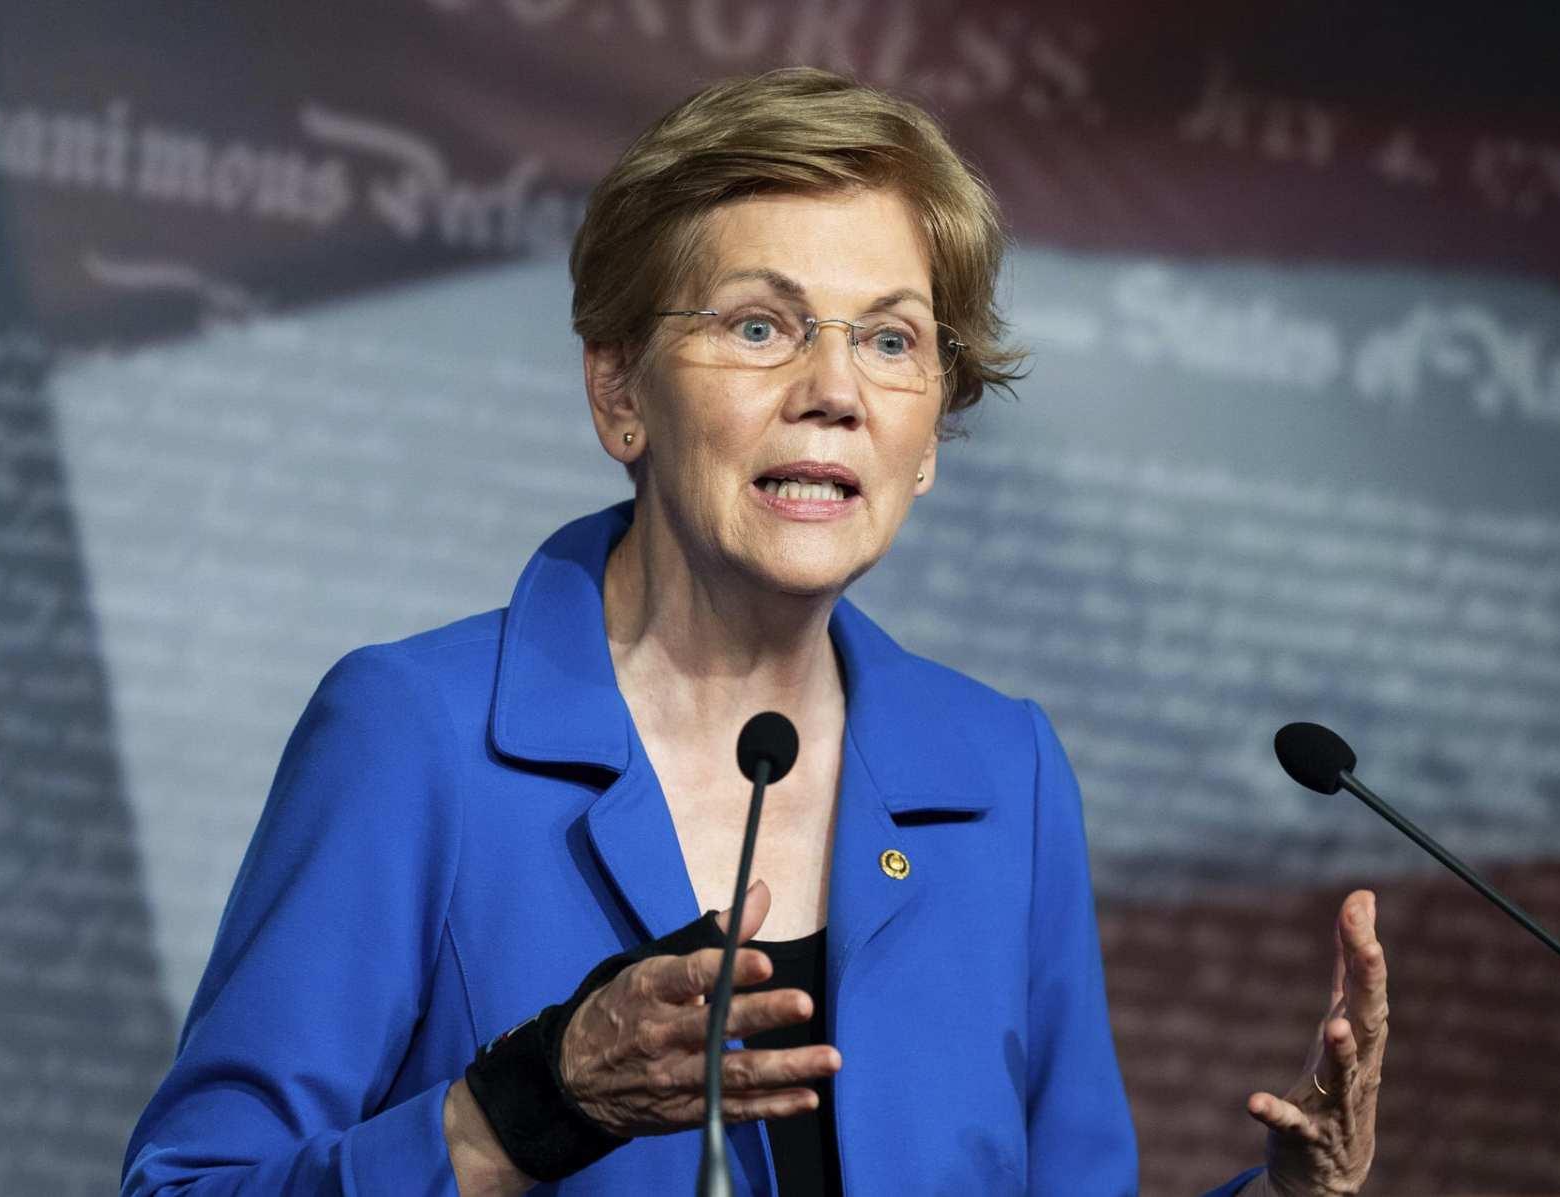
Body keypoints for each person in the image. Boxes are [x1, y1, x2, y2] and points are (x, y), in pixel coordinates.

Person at [122, 68, 1387, 1197]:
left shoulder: (1002, 773)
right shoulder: (418, 735)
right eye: (760, 326)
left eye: (891, 340)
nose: (833, 392)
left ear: (933, 430)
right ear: (619, 391)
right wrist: (525, 1112)